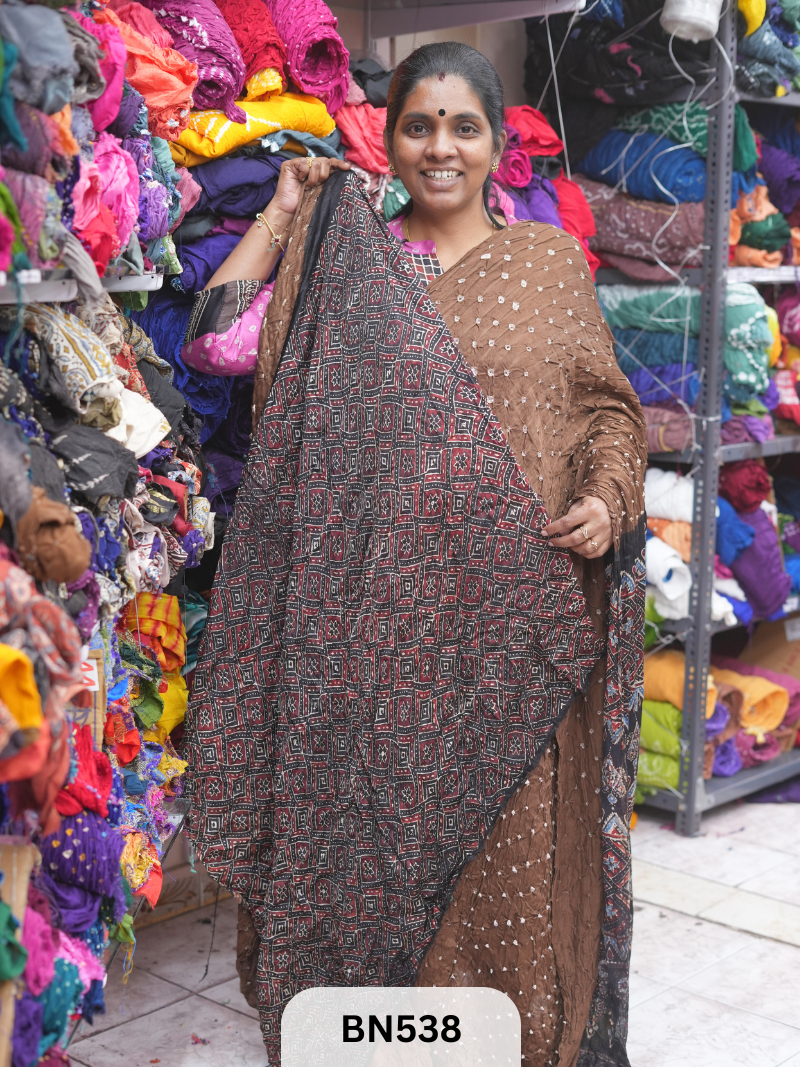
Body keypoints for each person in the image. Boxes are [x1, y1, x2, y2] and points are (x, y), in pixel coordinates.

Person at [184, 42, 646, 1067]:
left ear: (494, 145)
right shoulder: (349, 262)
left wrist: (605, 501)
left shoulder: (546, 265)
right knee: (372, 857)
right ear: (385, 139)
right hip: (371, 634)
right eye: (417, 124)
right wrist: (284, 210)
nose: (440, 147)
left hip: (510, 629)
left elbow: (607, 410)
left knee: (501, 864)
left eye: (463, 126)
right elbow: (214, 341)